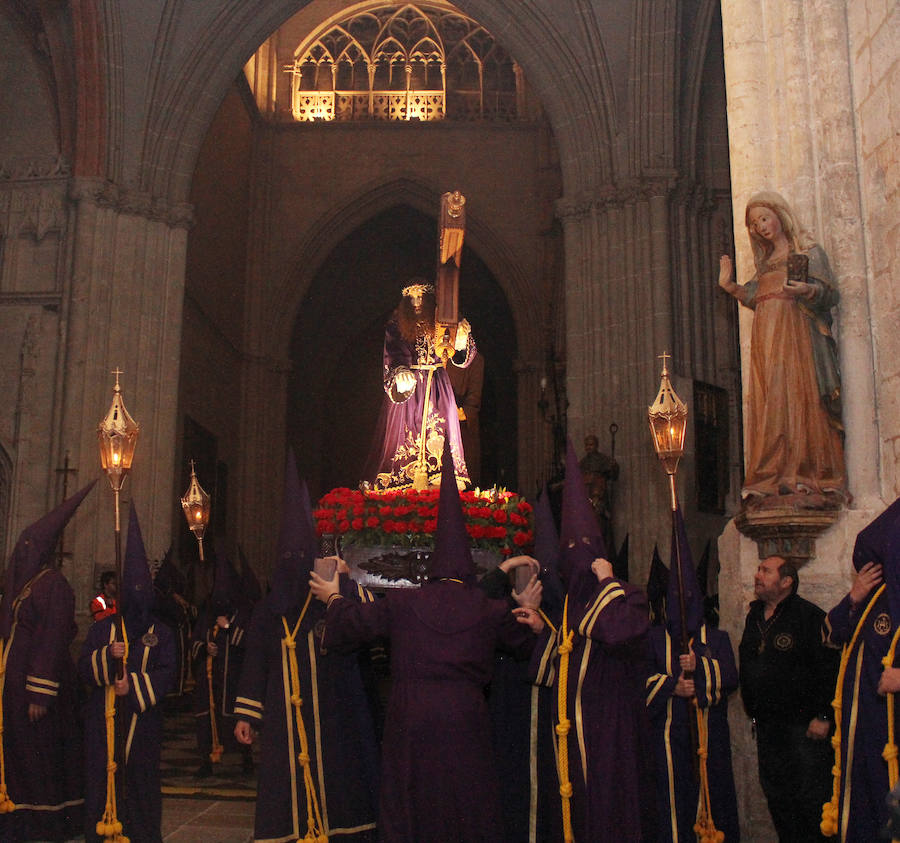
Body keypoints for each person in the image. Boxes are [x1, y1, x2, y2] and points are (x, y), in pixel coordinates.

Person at [310, 440, 542, 842]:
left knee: (411, 798)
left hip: (411, 716)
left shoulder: (405, 602)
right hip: (466, 715)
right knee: (465, 798)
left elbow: (353, 624)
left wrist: (333, 594)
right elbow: (524, 641)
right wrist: (529, 610)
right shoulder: (486, 608)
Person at [234, 450, 379, 842]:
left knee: (340, 786)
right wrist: (248, 713)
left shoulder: (335, 594)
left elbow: (370, 622)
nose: (296, 563)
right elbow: (256, 663)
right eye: (289, 557)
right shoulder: (268, 611)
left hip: (336, 711)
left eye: (303, 555)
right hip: (284, 720)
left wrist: (348, 579)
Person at [530, 438, 655, 842]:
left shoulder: (628, 595)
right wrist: (538, 629)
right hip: (567, 731)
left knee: (609, 810)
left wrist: (607, 580)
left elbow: (619, 631)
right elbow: (549, 672)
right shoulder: (566, 609)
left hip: (611, 730)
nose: (576, 559)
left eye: (584, 549)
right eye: (569, 552)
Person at [717, 192, 846, 503]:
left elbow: (829, 294)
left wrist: (807, 289)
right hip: (766, 340)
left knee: (800, 397)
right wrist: (730, 286)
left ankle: (809, 473)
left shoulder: (807, 253)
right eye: (754, 224)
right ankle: (772, 476)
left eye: (764, 218)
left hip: (796, 336)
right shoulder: (766, 265)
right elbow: (755, 294)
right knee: (770, 402)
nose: (761, 227)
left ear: (779, 215)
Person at [0, 480, 94, 842]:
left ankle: (44, 822)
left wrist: (40, 691)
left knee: (39, 759)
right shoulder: (24, 587)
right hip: (13, 695)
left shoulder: (53, 585)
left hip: (39, 696)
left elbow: (52, 638)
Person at [79, 503, 176, 843]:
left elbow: (168, 673)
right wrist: (109, 657)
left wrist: (131, 684)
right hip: (102, 723)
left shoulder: (162, 633)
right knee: (101, 776)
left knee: (139, 781)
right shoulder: (104, 629)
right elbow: (84, 666)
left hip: (142, 724)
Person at [645, 508, 739, 842]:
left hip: (709, 736)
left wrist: (699, 668)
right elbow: (639, 682)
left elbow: (729, 677)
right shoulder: (654, 640)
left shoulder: (716, 639)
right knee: (672, 804)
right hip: (668, 738)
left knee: (713, 797)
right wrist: (673, 686)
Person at [739, 555, 838, 841]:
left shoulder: (808, 616)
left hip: (803, 730)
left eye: (766, 571)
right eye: (758, 569)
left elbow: (829, 668)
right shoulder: (754, 615)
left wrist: (823, 716)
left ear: (786, 581)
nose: (758, 575)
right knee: (779, 801)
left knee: (810, 802)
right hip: (769, 728)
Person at [821, 497, 900, 842]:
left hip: (891, 733)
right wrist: (853, 597)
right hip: (859, 733)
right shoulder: (870, 596)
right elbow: (828, 636)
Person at [364, 279, 477, 490]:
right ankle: (407, 479)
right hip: (410, 389)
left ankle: (441, 480)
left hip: (437, 386)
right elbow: (393, 353)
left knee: (441, 430)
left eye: (420, 296)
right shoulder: (397, 323)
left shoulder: (444, 319)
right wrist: (400, 373)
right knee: (406, 432)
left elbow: (462, 357)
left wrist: (461, 340)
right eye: (412, 297)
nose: (416, 302)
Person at [191, 539, 252, 777]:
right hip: (209, 681)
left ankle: (246, 759)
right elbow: (194, 641)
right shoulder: (207, 613)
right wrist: (206, 646)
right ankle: (205, 761)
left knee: (236, 720)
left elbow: (247, 642)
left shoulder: (243, 614)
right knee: (206, 721)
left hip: (234, 680)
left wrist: (227, 628)